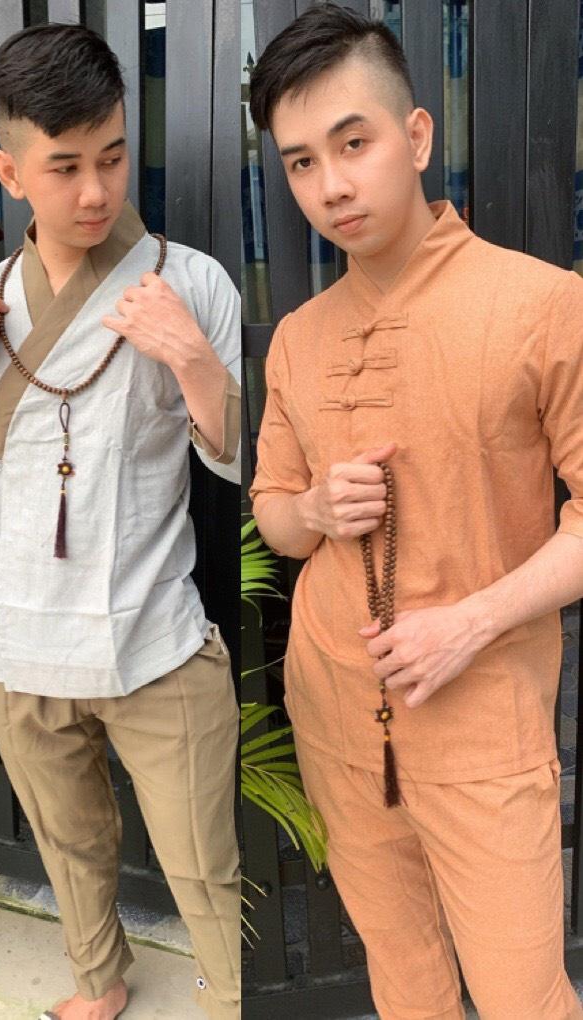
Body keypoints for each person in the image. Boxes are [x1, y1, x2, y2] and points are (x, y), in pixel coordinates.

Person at [248, 5, 583, 1017]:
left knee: (524, 996)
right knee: (404, 981)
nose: (332, 185)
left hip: (482, 723)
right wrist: (316, 506)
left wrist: (470, 624)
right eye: (302, 162)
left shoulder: (541, 304)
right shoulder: (298, 338)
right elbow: (273, 516)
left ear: (418, 135)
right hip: (335, 715)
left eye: (353, 143)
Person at [0, 23, 241, 1020]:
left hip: (151, 634)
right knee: (70, 842)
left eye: (113, 157)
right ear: (11, 172)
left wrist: (193, 359)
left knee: (202, 860)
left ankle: (229, 997)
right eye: (65, 167)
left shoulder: (192, 283)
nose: (96, 191)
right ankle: (98, 981)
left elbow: (232, 458)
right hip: (18, 633)